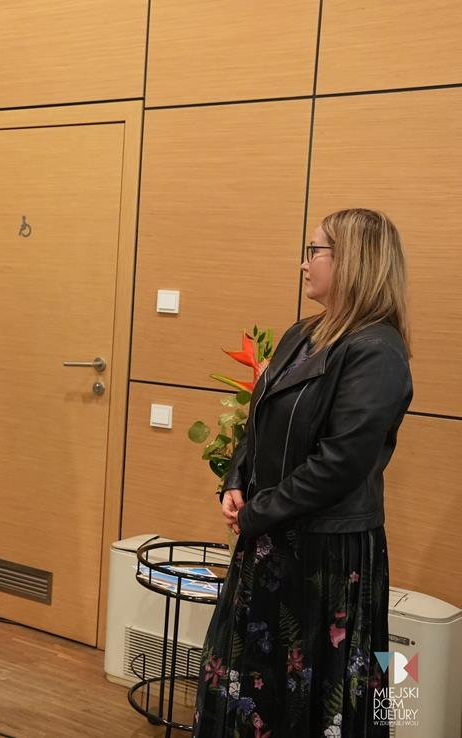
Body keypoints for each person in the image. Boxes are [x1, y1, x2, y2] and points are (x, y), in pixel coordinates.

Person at [193, 209, 412, 737]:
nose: (304, 263)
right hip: (273, 537)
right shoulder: (303, 333)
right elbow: (260, 417)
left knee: (313, 697)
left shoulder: (378, 350)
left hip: (326, 554)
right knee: (252, 685)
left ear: (353, 260)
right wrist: (237, 480)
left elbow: (340, 464)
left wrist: (257, 513)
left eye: (315, 251)